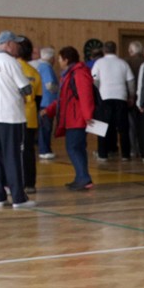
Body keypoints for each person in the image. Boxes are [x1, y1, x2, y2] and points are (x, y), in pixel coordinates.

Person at [0, 30, 34, 208]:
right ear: (9, 44)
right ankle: (18, 197)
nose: (18, 46)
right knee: (13, 156)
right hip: (10, 116)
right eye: (16, 43)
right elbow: (26, 89)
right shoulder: (13, 63)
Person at [44, 46, 96, 190]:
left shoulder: (78, 74)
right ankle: (81, 177)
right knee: (77, 148)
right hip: (73, 119)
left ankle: (84, 178)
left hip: (77, 119)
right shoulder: (69, 74)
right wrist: (49, 110)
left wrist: (88, 117)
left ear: (66, 60)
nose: (58, 61)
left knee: (73, 148)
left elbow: (86, 97)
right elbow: (62, 99)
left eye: (60, 59)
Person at [91, 41, 135, 162]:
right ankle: (125, 154)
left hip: (103, 98)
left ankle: (103, 154)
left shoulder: (98, 63)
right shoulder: (123, 63)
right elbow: (131, 81)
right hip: (121, 97)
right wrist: (131, 96)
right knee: (123, 128)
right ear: (115, 50)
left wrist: (94, 98)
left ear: (104, 50)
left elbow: (95, 82)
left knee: (101, 127)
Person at [17, 36, 42, 193]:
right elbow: (39, 98)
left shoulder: (11, 68)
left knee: (13, 151)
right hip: (31, 116)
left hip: (14, 116)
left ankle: (13, 182)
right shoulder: (33, 72)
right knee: (28, 151)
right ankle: (30, 183)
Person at [33, 46, 59, 161]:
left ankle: (44, 149)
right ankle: (44, 150)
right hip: (47, 101)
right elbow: (49, 85)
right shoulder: (46, 67)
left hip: (43, 100)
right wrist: (58, 91)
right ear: (51, 58)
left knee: (44, 126)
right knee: (45, 127)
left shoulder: (40, 67)